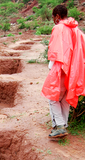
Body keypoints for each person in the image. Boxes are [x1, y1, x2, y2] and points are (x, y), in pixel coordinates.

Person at [41, 5, 85, 138]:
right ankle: (63, 125)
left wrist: (52, 68)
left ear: (58, 16)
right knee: (65, 98)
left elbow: (55, 51)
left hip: (61, 68)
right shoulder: (77, 30)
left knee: (53, 97)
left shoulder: (58, 28)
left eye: (53, 17)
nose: (53, 20)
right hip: (74, 70)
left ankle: (59, 126)